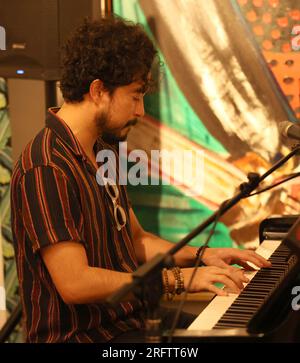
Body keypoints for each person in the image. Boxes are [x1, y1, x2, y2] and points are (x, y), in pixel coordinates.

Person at [10, 16, 271, 343]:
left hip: (126, 322)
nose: (139, 110)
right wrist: (179, 278)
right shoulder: (46, 167)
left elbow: (134, 240)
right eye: (134, 96)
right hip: (85, 336)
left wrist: (202, 255)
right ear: (98, 91)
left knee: (245, 333)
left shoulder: (102, 149)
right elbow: (74, 283)